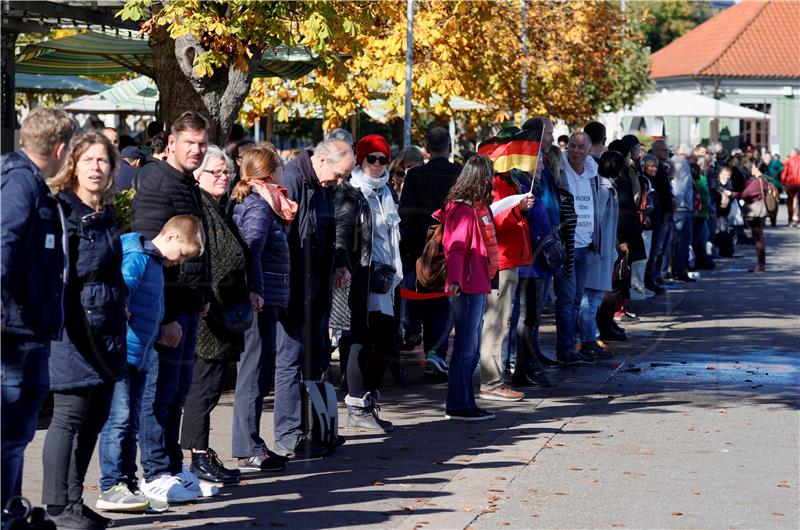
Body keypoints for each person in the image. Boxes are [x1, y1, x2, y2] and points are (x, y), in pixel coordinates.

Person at [42, 131, 128, 529]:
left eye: (103, 160)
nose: (96, 167)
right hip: (73, 333)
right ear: (72, 165)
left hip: (108, 332)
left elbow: (111, 269)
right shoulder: (62, 211)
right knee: (68, 419)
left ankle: (74, 501)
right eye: (88, 160)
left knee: (95, 419)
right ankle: (57, 508)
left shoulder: (106, 211)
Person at [96, 215, 204, 515]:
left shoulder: (155, 262)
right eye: (182, 254)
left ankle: (128, 482)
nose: (179, 262)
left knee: (130, 422)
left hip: (140, 353)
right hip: (124, 352)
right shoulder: (140, 257)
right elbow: (123, 287)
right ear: (170, 238)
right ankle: (112, 482)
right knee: (118, 421)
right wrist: (122, 308)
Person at [131, 111, 212, 503]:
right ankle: (156, 472)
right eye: (190, 143)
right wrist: (163, 317)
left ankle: (172, 468)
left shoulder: (187, 183)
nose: (197, 150)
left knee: (177, 391)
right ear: (172, 144)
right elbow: (149, 251)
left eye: (202, 143)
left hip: (187, 305)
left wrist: (202, 297)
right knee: (160, 394)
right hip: (166, 308)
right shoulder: (157, 183)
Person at [1, 107, 76, 512]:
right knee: (11, 434)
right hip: (17, 332)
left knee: (14, 434)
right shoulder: (21, 184)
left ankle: (10, 509)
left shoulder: (28, 182)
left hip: (27, 328)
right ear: (61, 148)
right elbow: (3, 242)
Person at [273, 138, 354, 458]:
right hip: (296, 288)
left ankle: (319, 427)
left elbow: (326, 229)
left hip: (317, 285)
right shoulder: (293, 180)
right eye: (339, 174)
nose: (341, 182)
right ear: (321, 161)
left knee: (318, 356)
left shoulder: (320, 183)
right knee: (290, 358)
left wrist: (337, 264)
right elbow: (286, 239)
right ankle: (288, 431)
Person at [180, 146, 252, 486]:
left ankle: (201, 452)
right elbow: (210, 258)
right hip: (211, 314)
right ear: (198, 174)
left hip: (224, 310)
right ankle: (196, 456)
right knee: (203, 388)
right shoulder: (200, 206)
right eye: (215, 172)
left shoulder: (219, 206)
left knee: (210, 388)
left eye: (226, 172)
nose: (223, 177)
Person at [230, 145, 293, 472]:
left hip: (265, 295)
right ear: (270, 173)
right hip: (260, 299)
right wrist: (255, 288)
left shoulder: (258, 201)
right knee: (253, 373)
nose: (284, 173)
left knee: (256, 372)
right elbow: (251, 247)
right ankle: (246, 446)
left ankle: (251, 442)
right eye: (280, 168)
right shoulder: (258, 205)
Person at [334, 134, 402, 431]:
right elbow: (342, 235)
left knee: (387, 344)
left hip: (385, 277)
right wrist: (341, 267)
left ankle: (367, 397)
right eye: (370, 159)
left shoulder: (387, 193)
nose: (376, 165)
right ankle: (356, 404)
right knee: (360, 339)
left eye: (382, 159)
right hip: (360, 275)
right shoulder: (350, 193)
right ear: (359, 161)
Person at [398, 127, 461, 376]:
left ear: (427, 147)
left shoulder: (416, 176)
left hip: (421, 248)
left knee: (425, 299)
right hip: (450, 245)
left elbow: (406, 215)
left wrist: (409, 250)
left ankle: (432, 351)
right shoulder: (458, 173)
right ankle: (437, 351)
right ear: (448, 147)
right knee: (445, 302)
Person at [442, 155, 499, 421]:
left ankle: (465, 400)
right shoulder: (464, 210)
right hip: (467, 283)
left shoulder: (466, 207)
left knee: (470, 348)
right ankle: (458, 403)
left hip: (472, 281)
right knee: (466, 348)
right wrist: (454, 280)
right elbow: (456, 247)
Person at [477, 140, 536, 400]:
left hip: (509, 258)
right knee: (496, 322)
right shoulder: (494, 183)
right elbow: (492, 219)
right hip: (500, 260)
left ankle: (495, 378)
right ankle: (491, 381)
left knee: (502, 322)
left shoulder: (508, 180)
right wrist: (518, 209)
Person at [559, 132, 601, 361]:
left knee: (577, 298)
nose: (574, 151)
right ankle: (564, 348)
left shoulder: (592, 172)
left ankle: (571, 345)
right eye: (572, 146)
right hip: (567, 244)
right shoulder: (560, 168)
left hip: (585, 244)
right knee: (566, 300)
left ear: (588, 150)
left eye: (580, 147)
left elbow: (594, 203)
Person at [579, 151, 620, 361]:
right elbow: (597, 220)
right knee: (591, 298)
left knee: (591, 298)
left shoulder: (604, 187)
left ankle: (589, 338)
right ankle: (587, 340)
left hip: (601, 250)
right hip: (597, 251)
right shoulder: (604, 189)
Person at [726, 159, 768, 272]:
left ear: (757, 169)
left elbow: (744, 194)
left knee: (758, 238)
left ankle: (760, 265)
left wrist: (731, 194)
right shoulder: (764, 180)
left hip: (755, 211)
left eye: (753, 167)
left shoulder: (757, 182)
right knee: (759, 237)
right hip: (760, 211)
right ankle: (761, 264)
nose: (751, 169)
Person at [645, 140, 674, 292]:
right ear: (655, 151)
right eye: (663, 150)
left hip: (665, 213)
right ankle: (650, 278)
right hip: (657, 214)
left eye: (667, 151)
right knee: (654, 249)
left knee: (660, 248)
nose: (666, 153)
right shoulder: (652, 171)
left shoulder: (663, 168)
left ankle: (655, 275)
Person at [668, 143, 696, 282]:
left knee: (674, 241)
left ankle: (673, 269)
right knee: (683, 240)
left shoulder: (673, 161)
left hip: (677, 207)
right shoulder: (682, 164)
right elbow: (680, 186)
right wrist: (677, 203)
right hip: (682, 208)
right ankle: (679, 270)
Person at [781, 148, 800, 227]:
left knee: (790, 203)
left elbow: (784, 173)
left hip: (791, 184)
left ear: (793, 153)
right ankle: (799, 221)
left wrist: (783, 182)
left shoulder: (788, 161)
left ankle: (790, 220)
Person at [764, 152, 783, 227]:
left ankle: (771, 219)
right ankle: (769, 220)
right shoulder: (762, 164)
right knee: (770, 202)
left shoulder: (772, 164)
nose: (768, 159)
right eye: (766, 157)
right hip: (770, 186)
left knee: (771, 202)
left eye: (769, 157)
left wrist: (775, 176)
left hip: (772, 186)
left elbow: (782, 168)